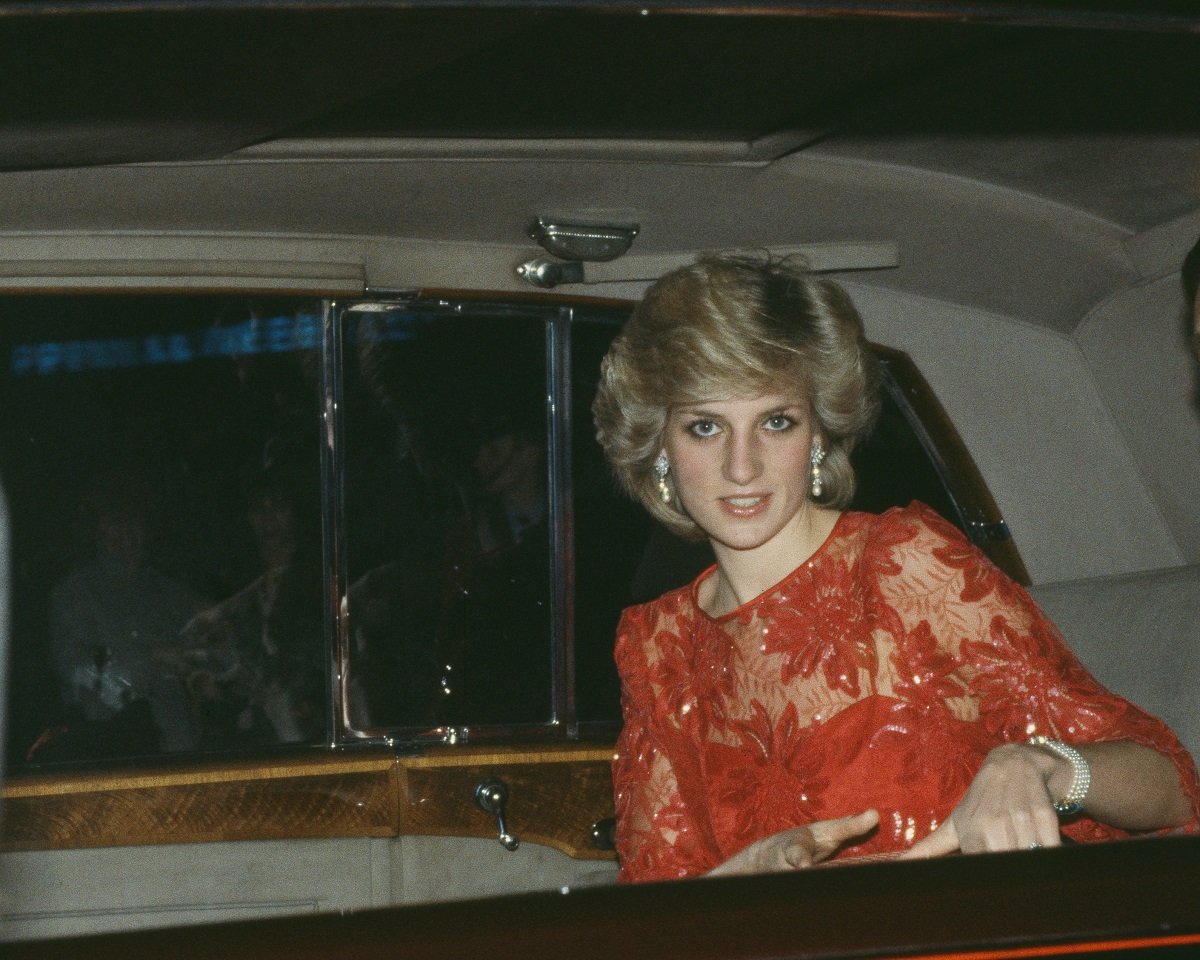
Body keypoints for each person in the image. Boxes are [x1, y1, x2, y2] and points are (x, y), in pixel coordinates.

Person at [592, 253, 1200, 883]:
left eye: (777, 422)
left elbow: (1170, 786)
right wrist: (741, 879)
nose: (741, 466)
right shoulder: (657, 644)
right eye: (705, 427)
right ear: (660, 446)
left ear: (820, 434)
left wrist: (1039, 765)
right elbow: (656, 905)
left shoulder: (902, 565)